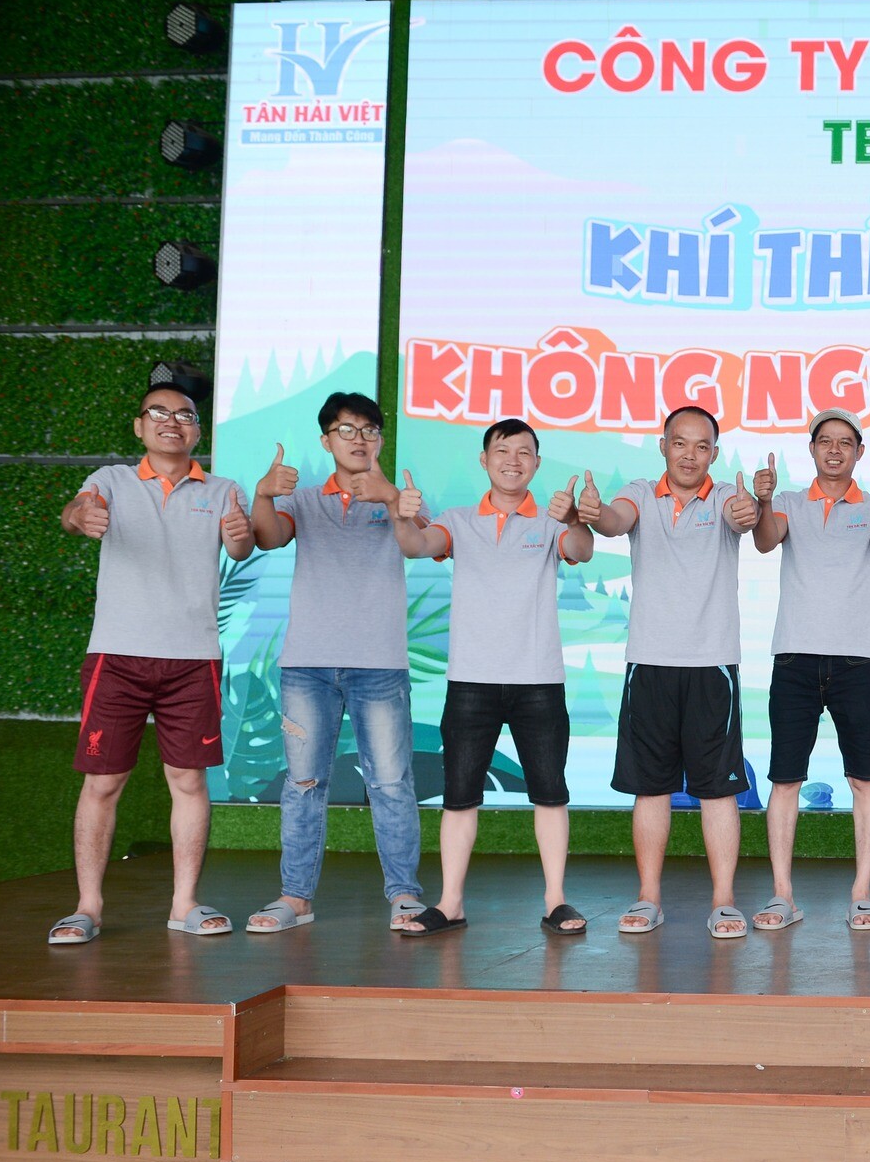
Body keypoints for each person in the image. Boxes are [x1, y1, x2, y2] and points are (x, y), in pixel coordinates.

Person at [48, 377, 253, 944]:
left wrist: (239, 534)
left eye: (184, 415)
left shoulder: (223, 489)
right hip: (117, 657)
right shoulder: (109, 481)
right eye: (158, 413)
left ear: (197, 432)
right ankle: (87, 908)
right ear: (140, 426)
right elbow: (76, 512)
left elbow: (240, 547)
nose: (171, 422)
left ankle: (184, 904)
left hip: (193, 660)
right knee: (103, 782)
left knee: (188, 780)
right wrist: (80, 516)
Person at [390, 418, 594, 937]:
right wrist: (402, 516)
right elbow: (416, 545)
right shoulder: (459, 521)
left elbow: (581, 549)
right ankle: (450, 903)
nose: (513, 460)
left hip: (538, 680)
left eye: (524, 452)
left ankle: (555, 900)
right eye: (502, 450)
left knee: (551, 794)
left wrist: (573, 517)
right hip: (471, 682)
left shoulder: (550, 520)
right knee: (459, 797)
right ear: (484, 460)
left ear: (537, 464)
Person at [243, 392, 429, 935]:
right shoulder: (303, 500)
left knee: (391, 783)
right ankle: (296, 898)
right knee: (303, 782)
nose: (359, 438)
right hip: (307, 666)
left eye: (369, 429)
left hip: (380, 665)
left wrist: (391, 498)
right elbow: (267, 537)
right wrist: (262, 493)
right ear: (326, 441)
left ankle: (405, 895)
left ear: (380, 440)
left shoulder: (402, 496)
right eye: (347, 429)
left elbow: (419, 544)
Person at [588, 407, 760, 939]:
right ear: (663, 446)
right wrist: (594, 512)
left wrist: (750, 509)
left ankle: (725, 901)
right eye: (680, 443)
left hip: (712, 665)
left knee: (719, 792)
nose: (690, 454)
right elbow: (614, 521)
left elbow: (743, 517)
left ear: (714, 453)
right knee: (650, 789)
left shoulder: (727, 495)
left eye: (702, 446)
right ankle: (648, 899)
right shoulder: (640, 493)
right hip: (650, 664)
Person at [749, 409, 870, 932]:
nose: (835, 450)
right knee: (785, 780)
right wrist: (764, 501)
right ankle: (782, 895)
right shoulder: (790, 502)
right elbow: (765, 540)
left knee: (864, 778)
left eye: (845, 442)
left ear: (860, 452)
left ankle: (862, 894)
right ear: (812, 449)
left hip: (855, 661)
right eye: (825, 441)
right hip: (794, 658)